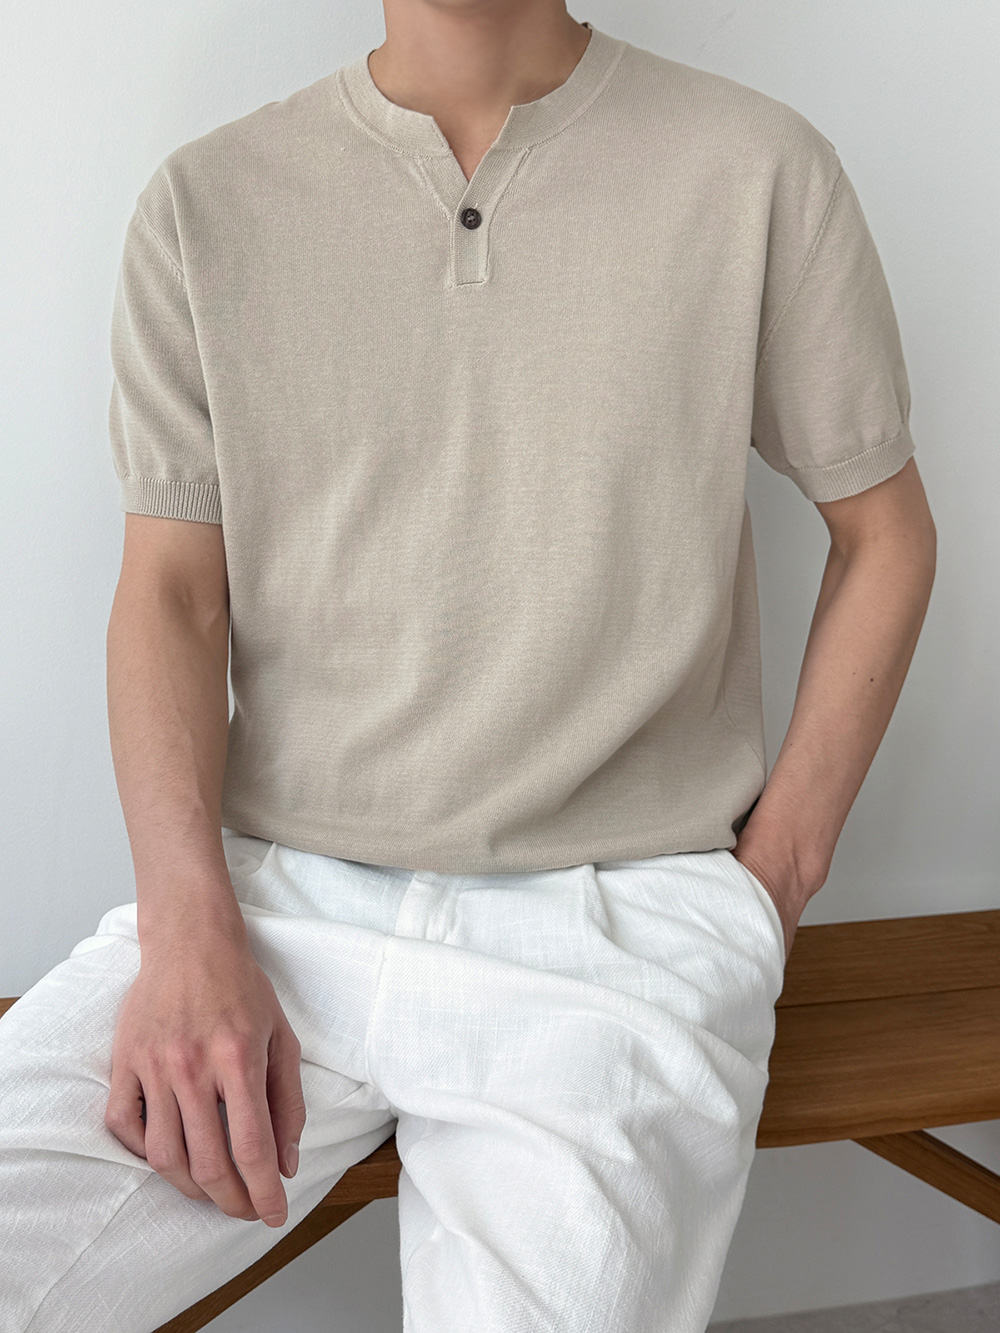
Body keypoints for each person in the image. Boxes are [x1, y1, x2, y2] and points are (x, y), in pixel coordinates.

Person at [0, 2, 936, 1330]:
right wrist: (184, 923)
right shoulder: (205, 203)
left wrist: (768, 884)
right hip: (269, 902)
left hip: (618, 929)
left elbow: (885, 533)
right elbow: (172, 593)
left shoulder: (757, 168)